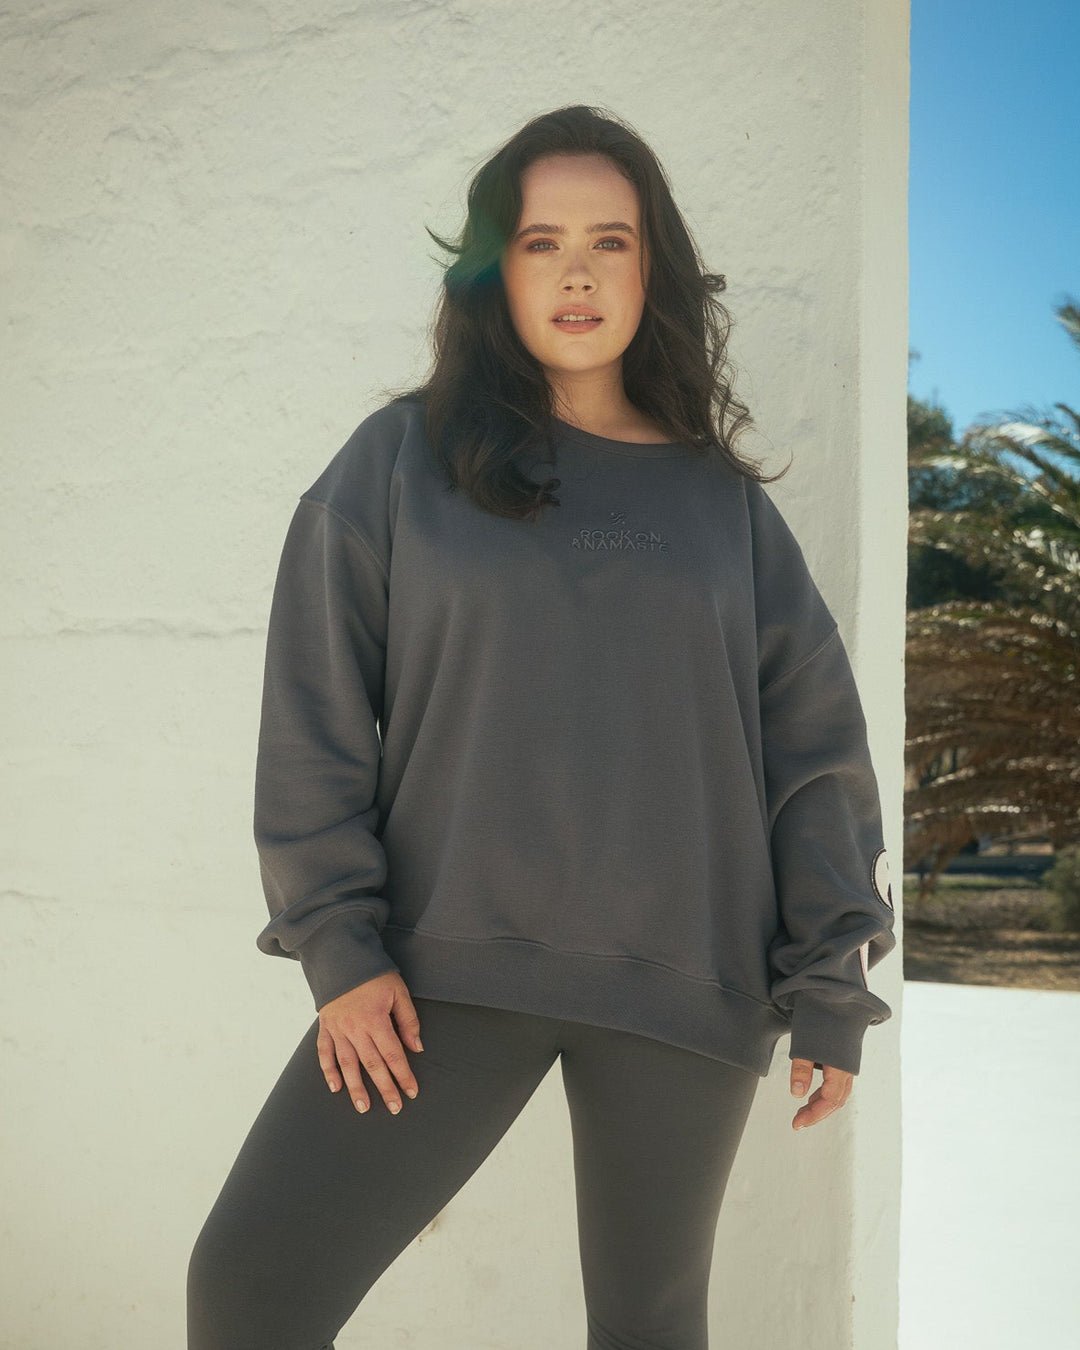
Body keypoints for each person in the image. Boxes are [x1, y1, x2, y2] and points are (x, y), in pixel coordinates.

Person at [187, 103, 898, 1350]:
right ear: (492, 273)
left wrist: (832, 979)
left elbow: (813, 752)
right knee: (249, 1288)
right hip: (437, 975)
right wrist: (339, 945)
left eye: (609, 242)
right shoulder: (397, 463)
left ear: (650, 269)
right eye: (539, 243)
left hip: (688, 986)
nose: (577, 273)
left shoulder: (722, 507)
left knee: (649, 1329)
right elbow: (313, 710)